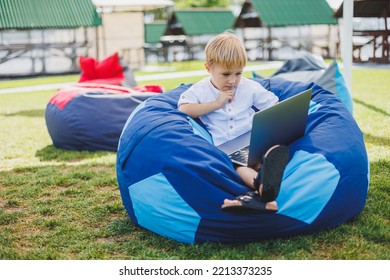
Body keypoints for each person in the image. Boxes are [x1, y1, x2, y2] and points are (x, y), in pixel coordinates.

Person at [178, 31, 289, 214]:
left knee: (261, 162)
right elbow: (184, 108)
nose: (232, 80)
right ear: (208, 68)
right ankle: (265, 191)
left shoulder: (249, 87)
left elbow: (273, 104)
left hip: (254, 139)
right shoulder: (200, 90)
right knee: (240, 167)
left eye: (238, 73)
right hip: (227, 147)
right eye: (226, 74)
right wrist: (216, 103)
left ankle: (266, 187)